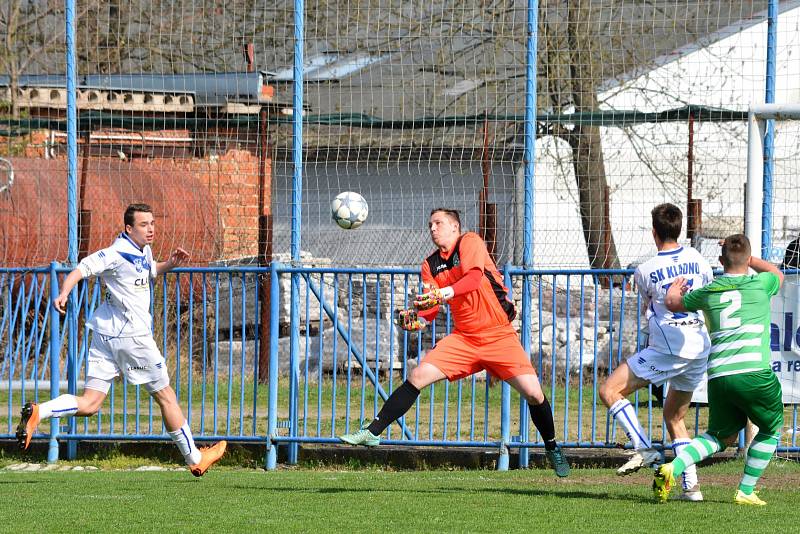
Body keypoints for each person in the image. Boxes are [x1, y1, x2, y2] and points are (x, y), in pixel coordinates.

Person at [338, 208, 569, 476]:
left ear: (455, 227)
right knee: (418, 375)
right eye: (430, 224)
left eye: (438, 223)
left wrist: (441, 294)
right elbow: (429, 312)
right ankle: (372, 431)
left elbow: (472, 279)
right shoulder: (430, 265)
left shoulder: (469, 242)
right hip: (465, 339)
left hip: (498, 335)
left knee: (533, 393)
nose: (433, 228)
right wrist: (414, 319)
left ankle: (552, 447)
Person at [15, 203, 226, 477]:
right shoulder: (115, 253)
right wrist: (63, 293)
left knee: (90, 404)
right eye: (143, 225)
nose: (150, 229)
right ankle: (195, 458)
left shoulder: (142, 251)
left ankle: (38, 412)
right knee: (166, 396)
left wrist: (170, 264)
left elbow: (149, 270)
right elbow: (82, 268)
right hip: (132, 338)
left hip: (105, 336)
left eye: (152, 223)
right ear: (128, 228)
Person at [655, 234, 784, 506]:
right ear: (748, 260)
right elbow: (776, 273)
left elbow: (674, 304)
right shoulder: (760, 284)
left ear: (720, 260)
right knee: (772, 428)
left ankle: (672, 469)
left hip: (719, 376)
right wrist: (749, 259)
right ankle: (745, 491)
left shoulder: (708, 292)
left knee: (719, 436)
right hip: (754, 373)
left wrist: (673, 290)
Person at [598, 203, 713, 501]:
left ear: (654, 231)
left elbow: (650, 305)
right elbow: (705, 292)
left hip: (669, 348)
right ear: (680, 228)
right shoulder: (698, 258)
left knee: (610, 390)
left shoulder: (646, 270)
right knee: (674, 416)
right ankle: (691, 488)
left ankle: (644, 448)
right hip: (699, 347)